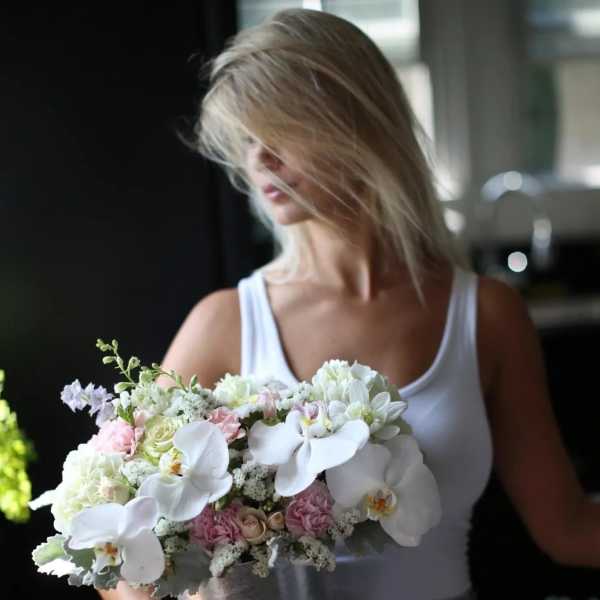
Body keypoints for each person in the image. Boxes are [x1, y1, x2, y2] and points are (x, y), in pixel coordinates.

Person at [99, 8, 600, 600]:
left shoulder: (486, 315)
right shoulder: (226, 323)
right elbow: (119, 559)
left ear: (358, 123)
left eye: (279, 130)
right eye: (248, 139)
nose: (259, 158)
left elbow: (569, 529)